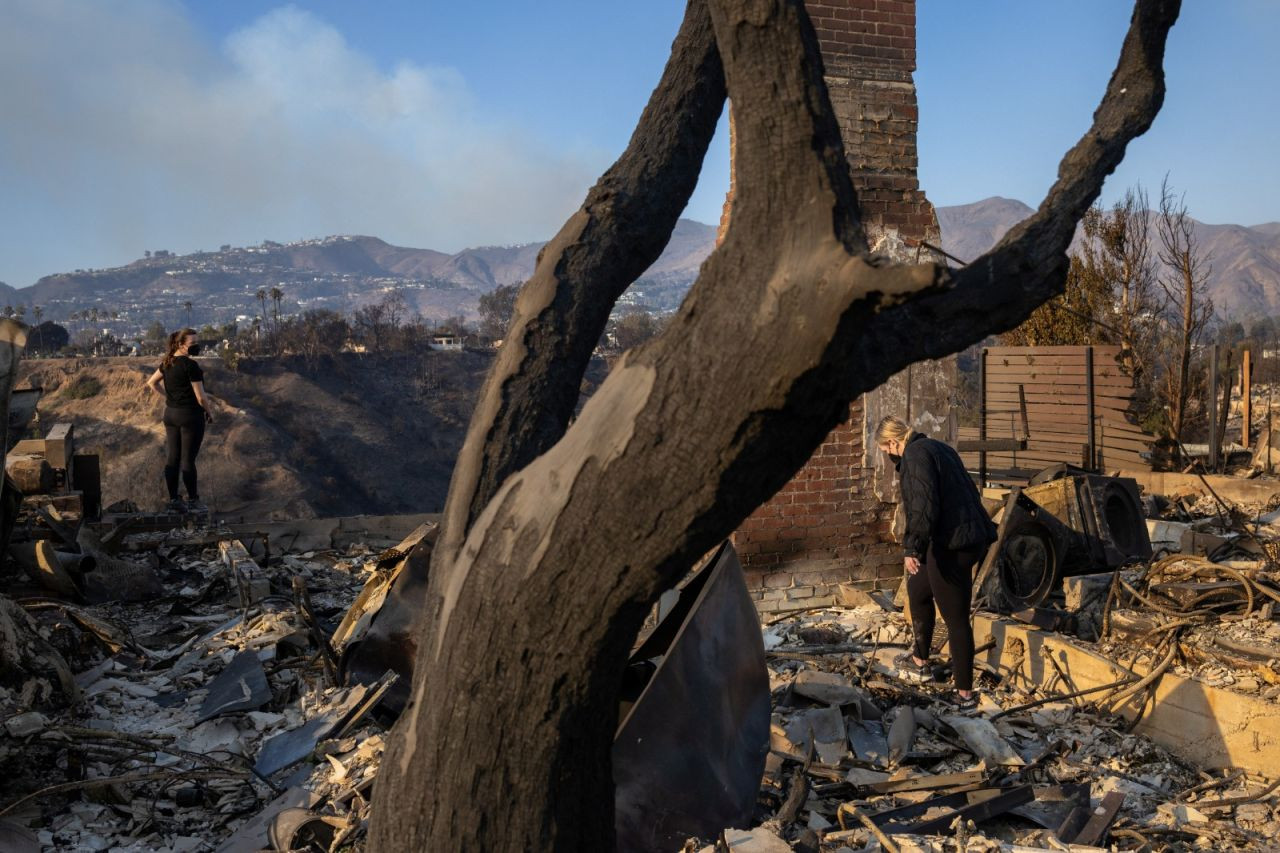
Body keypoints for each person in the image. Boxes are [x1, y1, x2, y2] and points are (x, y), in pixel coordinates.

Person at [875, 415, 996, 708]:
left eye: (886, 450)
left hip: (956, 544)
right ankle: (919, 660)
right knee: (918, 591)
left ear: (893, 442)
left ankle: (964, 694)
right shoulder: (937, 447)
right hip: (953, 536)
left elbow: (923, 506)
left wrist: (912, 548)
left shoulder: (915, 456)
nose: (889, 456)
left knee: (955, 617)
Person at [145, 328, 212, 511]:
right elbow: (201, 397)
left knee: (173, 458)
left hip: (171, 414)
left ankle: (174, 499)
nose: (197, 346)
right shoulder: (190, 366)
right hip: (190, 416)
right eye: (193, 344)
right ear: (181, 345)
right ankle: (193, 500)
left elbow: (151, 383)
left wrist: (169, 397)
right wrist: (209, 412)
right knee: (188, 460)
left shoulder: (167, 363)